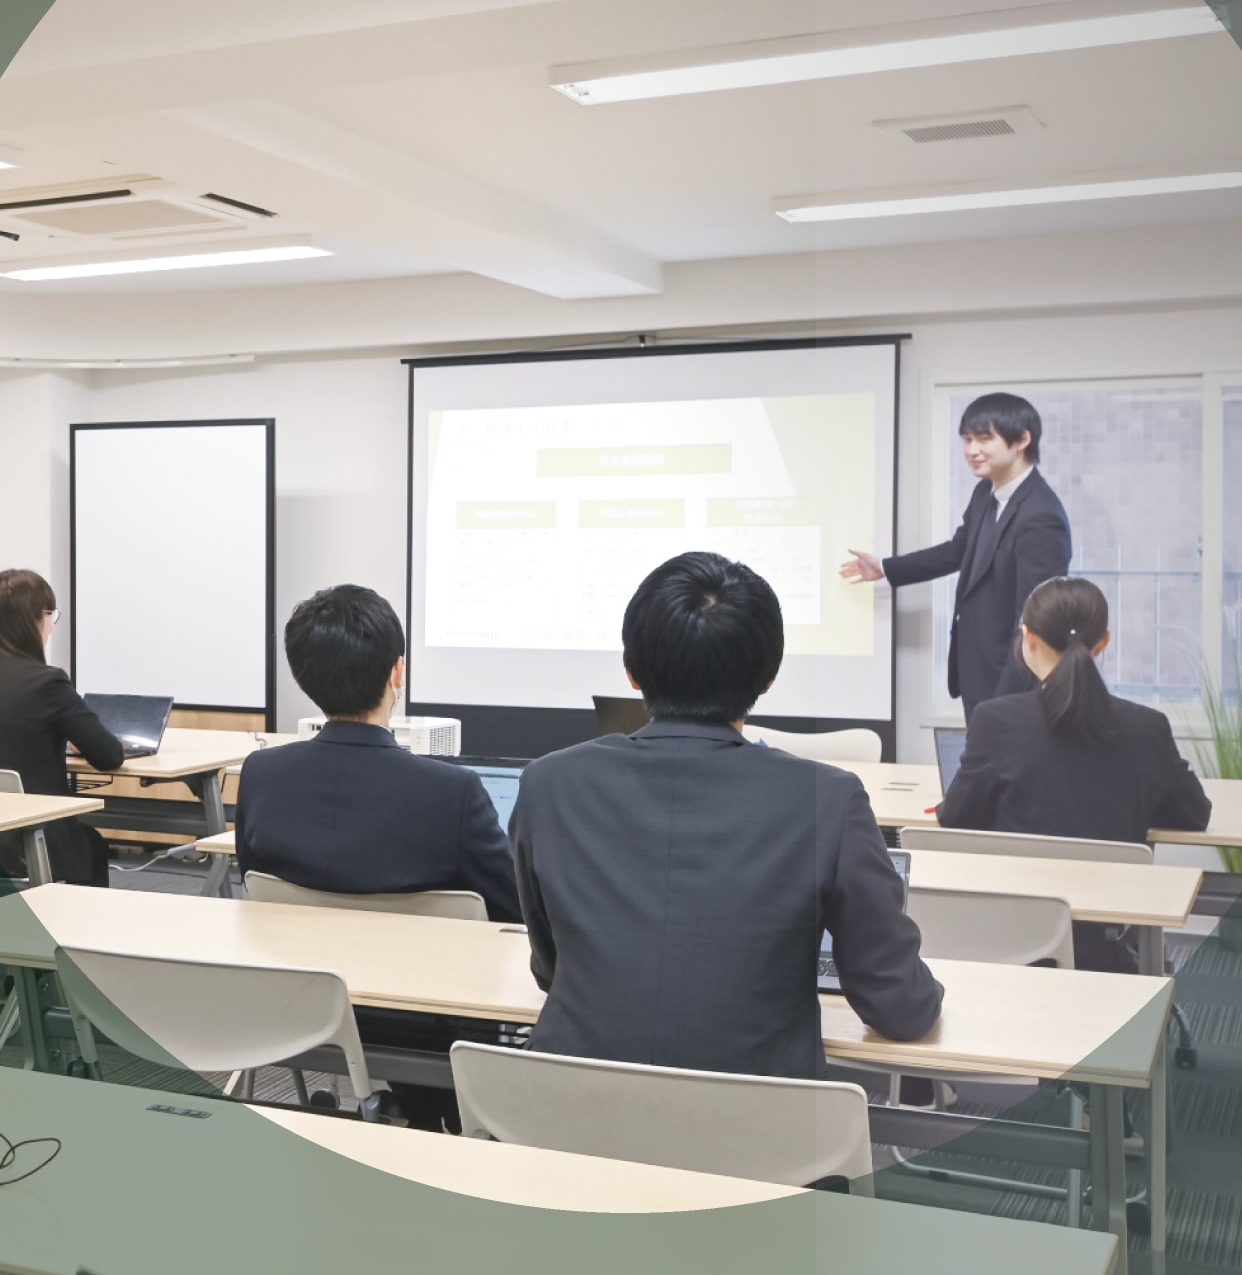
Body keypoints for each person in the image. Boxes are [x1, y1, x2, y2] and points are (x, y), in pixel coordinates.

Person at [510, 551, 942, 1079]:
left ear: (631, 671)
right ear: (768, 677)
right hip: (756, 1141)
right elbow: (900, 1008)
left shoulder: (548, 784)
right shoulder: (828, 799)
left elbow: (552, 970)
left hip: (563, 1119)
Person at [234, 583, 520, 1126]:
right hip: (429, 1022)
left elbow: (255, 888)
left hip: (303, 1004)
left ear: (299, 678)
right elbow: (513, 916)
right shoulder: (451, 792)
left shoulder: (262, 775)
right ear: (398, 672)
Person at [939, 575, 1212, 970]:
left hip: (1008, 946)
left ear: (1027, 639)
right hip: (1107, 949)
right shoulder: (1147, 727)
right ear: (1104, 643)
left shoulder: (994, 721)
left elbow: (956, 819)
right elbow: (1193, 816)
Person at [841, 392, 1071, 719]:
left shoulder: (1041, 515)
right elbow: (958, 550)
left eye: (983, 438)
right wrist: (885, 568)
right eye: (967, 440)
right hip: (977, 670)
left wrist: (1007, 700)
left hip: (1010, 681)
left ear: (1022, 439)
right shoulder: (985, 493)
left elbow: (1034, 621)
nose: (971, 450)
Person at [0, 569, 124, 887]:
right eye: (50, 615)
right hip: (31, 841)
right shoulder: (47, 682)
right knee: (91, 843)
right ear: (35, 621)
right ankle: (75, 932)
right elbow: (109, 755)